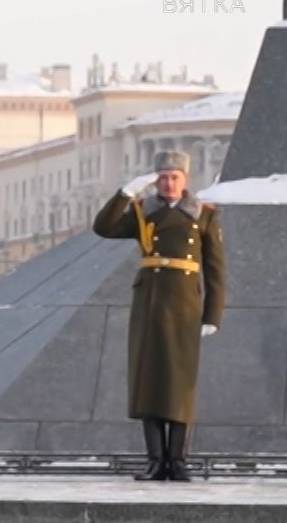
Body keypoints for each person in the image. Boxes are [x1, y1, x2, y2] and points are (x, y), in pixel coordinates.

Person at [91, 150, 226, 482]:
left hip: (184, 306)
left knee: (180, 385)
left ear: (185, 180)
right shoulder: (142, 213)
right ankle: (155, 460)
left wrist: (212, 315)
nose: (169, 183)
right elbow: (103, 227)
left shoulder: (202, 215)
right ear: (155, 180)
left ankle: (177, 460)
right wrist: (125, 194)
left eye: (175, 177)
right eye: (163, 177)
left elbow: (215, 270)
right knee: (148, 382)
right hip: (149, 303)